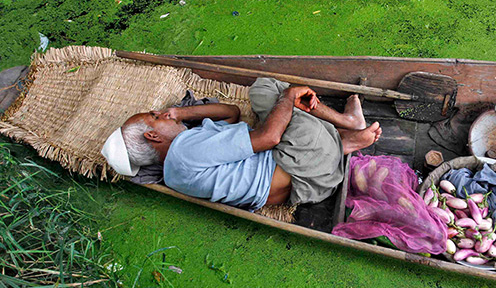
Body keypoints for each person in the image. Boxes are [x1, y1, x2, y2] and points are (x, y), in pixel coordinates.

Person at [101, 77, 382, 210]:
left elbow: (232, 114)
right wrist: (288, 98)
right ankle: (348, 125)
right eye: (155, 117)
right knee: (284, 96)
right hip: (303, 166)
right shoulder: (185, 151)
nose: (161, 112)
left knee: (262, 89)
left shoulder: (174, 171)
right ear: (152, 136)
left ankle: (341, 143)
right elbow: (268, 138)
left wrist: (181, 114)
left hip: (310, 184)